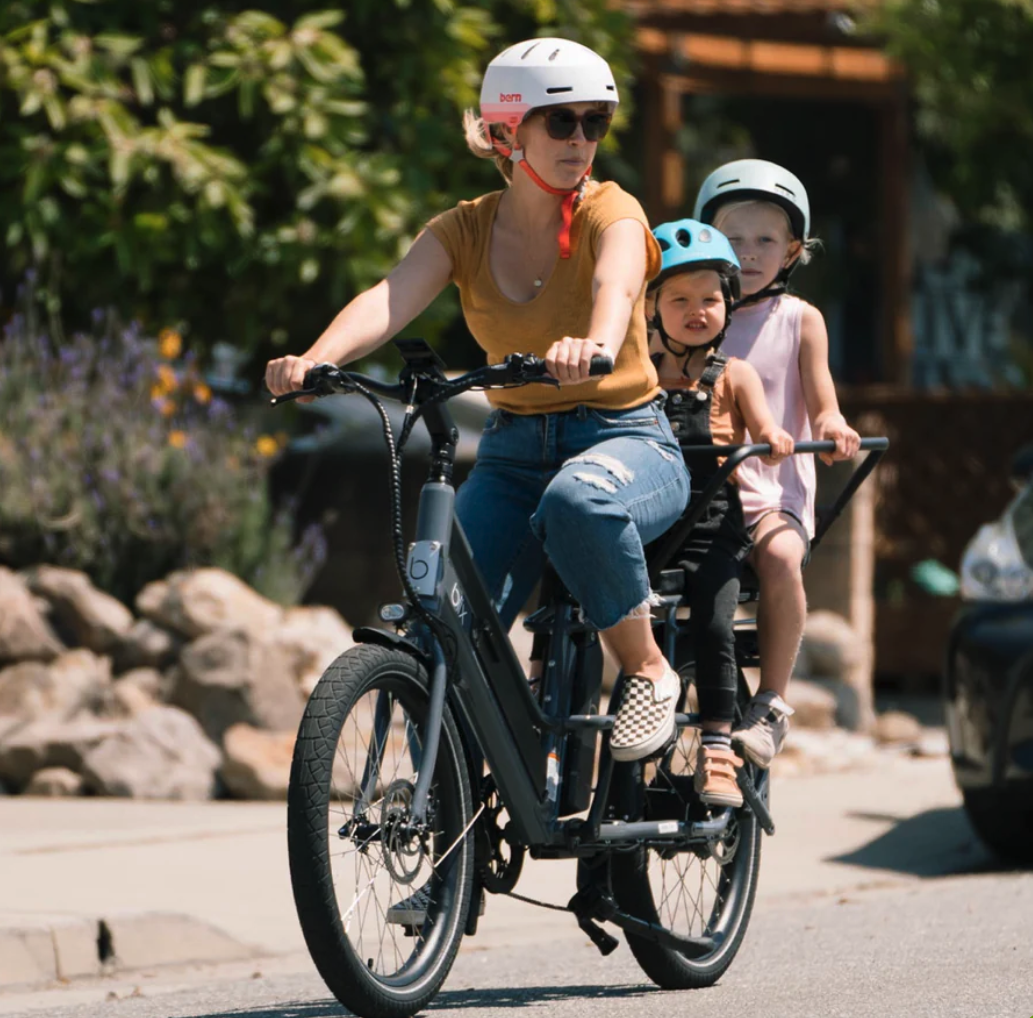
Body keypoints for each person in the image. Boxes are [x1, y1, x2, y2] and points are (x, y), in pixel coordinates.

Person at [266, 38, 691, 773]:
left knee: (579, 503)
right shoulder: (464, 228)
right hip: (512, 450)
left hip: (624, 440)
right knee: (440, 624)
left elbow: (616, 287)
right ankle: (448, 819)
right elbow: (390, 297)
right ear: (505, 132)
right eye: (562, 123)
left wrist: (592, 342)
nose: (582, 141)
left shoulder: (610, 211)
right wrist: (316, 360)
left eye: (596, 123)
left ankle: (647, 670)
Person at [692, 159, 861, 768]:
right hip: (699, 491)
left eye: (766, 240)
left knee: (784, 557)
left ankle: (771, 702)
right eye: (734, 238)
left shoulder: (799, 319)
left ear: (792, 251)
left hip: (771, 490)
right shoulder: (690, 310)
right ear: (707, 240)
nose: (750, 252)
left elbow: (822, 403)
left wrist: (834, 428)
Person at [647, 219, 793, 806]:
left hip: (713, 527)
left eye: (710, 299)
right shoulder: (643, 375)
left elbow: (764, 426)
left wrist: (773, 436)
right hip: (653, 520)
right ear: (652, 308)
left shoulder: (735, 374)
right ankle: (556, 719)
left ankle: (717, 749)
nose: (696, 311)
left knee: (713, 622)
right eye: (679, 299)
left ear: (729, 306)